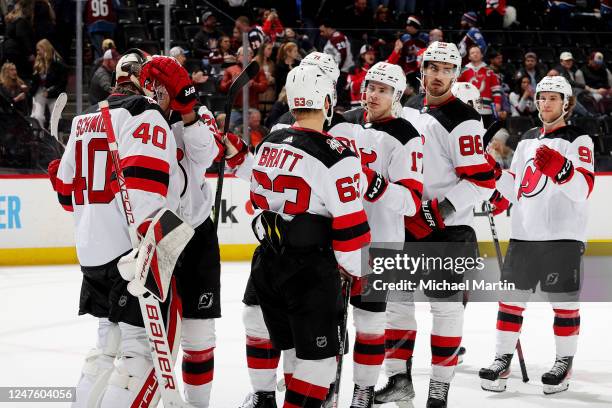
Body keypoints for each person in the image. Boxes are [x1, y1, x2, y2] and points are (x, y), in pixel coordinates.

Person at [46, 48, 185, 407]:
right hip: (128, 253)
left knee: (105, 346)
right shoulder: (144, 113)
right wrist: (154, 248)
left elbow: (65, 197)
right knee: (137, 354)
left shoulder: (83, 119)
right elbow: (145, 192)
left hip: (92, 253)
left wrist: (56, 174)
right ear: (144, 80)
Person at [248, 62, 371, 408]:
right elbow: (350, 229)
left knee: (292, 354)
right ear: (328, 102)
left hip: (268, 264)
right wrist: (358, 269)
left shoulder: (269, 141)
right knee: (318, 369)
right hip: (310, 272)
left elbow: (256, 202)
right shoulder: (339, 156)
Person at [388, 41, 495, 408]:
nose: (438, 76)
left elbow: (482, 180)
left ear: (457, 73)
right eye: (433, 68)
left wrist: (438, 213)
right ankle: (399, 379)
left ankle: (439, 388)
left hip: (446, 231)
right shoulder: (411, 108)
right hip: (406, 226)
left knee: (445, 309)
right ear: (422, 68)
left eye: (447, 70)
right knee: (396, 304)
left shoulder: (463, 117)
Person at [138, 54, 247, 408]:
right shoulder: (140, 118)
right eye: (154, 87)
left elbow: (206, 155)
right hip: (159, 235)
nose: (157, 93)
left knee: (200, 334)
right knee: (152, 336)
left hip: (198, 234)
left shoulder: (196, 115)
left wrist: (187, 107)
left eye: (163, 87)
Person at [479, 75, 594, 396]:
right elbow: (517, 189)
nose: (545, 103)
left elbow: (583, 189)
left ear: (567, 103)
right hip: (524, 235)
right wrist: (493, 173)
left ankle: (563, 362)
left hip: (563, 236)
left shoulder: (579, 138)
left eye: (553, 98)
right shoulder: (528, 138)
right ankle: (502, 359)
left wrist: (562, 169)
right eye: (541, 97)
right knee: (510, 303)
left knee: (564, 305)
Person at [329, 61, 424, 408]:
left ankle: (364, 390)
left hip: (380, 244)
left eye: (382, 90)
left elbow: (411, 202)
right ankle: (326, 382)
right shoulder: (345, 122)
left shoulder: (407, 135)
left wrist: (374, 183)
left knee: (369, 322)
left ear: (397, 95)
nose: (373, 94)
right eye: (370, 86)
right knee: (332, 319)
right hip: (340, 239)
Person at [458, 45, 503, 127]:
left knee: (485, 133)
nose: (475, 54)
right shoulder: (463, 72)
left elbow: (496, 89)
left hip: (486, 109)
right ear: (469, 57)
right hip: (468, 108)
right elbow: (457, 89)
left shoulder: (490, 71)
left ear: (482, 55)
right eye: (472, 53)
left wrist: (497, 103)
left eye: (477, 52)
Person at [30, 39, 68, 128]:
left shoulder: (59, 64)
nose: (37, 52)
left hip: (54, 93)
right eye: (37, 50)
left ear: (45, 49)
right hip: (40, 92)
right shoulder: (38, 63)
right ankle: (39, 138)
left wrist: (50, 92)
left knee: (56, 118)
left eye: (39, 50)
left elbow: (62, 84)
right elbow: (35, 83)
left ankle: (56, 138)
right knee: (38, 116)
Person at [386, 15, 429, 91]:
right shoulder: (404, 37)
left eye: (409, 26)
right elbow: (398, 53)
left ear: (415, 27)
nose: (407, 28)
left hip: (420, 69)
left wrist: (418, 52)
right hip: (406, 69)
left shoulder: (425, 37)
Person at [319, 20, 354, 106]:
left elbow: (342, 54)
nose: (321, 34)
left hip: (342, 73)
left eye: (322, 31)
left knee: (338, 99)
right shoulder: (333, 39)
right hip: (339, 72)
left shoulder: (337, 38)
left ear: (329, 28)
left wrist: (335, 71)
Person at [1, 1, 35, 81]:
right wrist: (29, 52)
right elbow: (22, 36)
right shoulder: (21, 21)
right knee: (22, 74)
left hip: (9, 49)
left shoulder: (12, 20)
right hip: (16, 51)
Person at [255, 42, 276, 112]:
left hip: (269, 91)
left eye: (271, 49)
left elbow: (274, 77)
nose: (271, 51)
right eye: (269, 49)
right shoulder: (255, 61)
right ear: (263, 49)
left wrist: (272, 79)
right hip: (259, 90)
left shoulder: (271, 63)